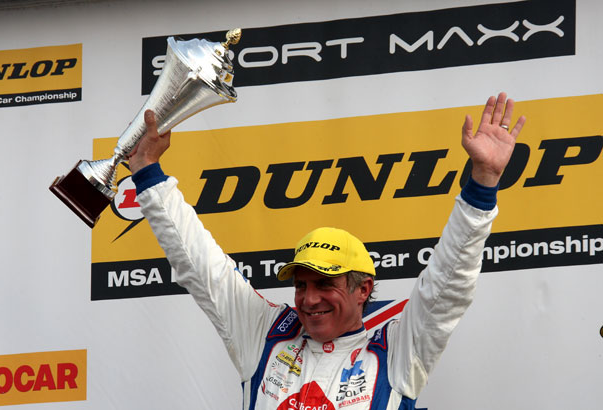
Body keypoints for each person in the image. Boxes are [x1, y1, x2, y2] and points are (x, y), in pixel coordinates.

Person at [128, 93, 526, 409]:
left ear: (363, 290)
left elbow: (449, 280)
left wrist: (483, 182)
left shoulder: (399, 346)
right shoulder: (264, 334)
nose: (309, 299)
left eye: (325, 283)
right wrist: (147, 171)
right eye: (301, 285)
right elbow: (200, 265)